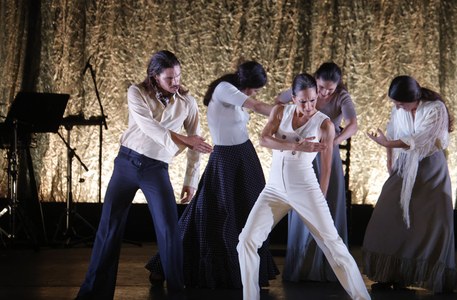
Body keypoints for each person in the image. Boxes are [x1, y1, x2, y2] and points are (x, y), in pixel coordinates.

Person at [76, 50, 213, 299]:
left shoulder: (187, 102)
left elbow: (197, 145)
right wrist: (184, 140)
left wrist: (190, 181)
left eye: (178, 76)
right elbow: (150, 127)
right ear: (154, 76)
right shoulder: (136, 92)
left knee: (169, 230)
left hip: (155, 169)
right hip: (126, 164)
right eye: (169, 78)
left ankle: (177, 291)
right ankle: (92, 293)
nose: (176, 82)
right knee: (109, 228)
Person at [145, 61, 279, 288]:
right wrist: (286, 112)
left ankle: (247, 271)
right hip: (225, 158)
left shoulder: (235, 91)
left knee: (250, 212)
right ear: (245, 83)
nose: (255, 92)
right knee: (207, 215)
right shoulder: (225, 89)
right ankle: (165, 265)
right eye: (254, 87)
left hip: (245, 156)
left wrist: (292, 103)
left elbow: (256, 103)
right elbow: (256, 106)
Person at [237, 73, 371, 300]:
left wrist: (321, 197)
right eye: (303, 101)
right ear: (293, 98)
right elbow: (264, 139)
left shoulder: (325, 125)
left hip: (306, 190)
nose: (309, 106)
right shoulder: (280, 111)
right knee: (246, 241)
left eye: (313, 100)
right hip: (274, 190)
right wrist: (296, 145)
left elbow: (327, 168)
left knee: (333, 246)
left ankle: (361, 297)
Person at [361, 75, 457, 294]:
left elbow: (419, 139)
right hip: (404, 165)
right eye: (395, 103)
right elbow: (392, 134)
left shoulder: (435, 108)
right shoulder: (399, 110)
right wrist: (389, 161)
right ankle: (390, 273)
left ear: (414, 98)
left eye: (401, 103)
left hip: (430, 167)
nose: (397, 107)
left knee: (432, 222)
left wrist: (387, 142)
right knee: (389, 214)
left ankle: (433, 275)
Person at [276, 62, 358, 282]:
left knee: (327, 205)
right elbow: (279, 102)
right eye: (321, 87)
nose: (323, 93)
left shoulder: (342, 97)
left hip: (325, 154)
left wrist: (334, 141)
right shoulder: (306, 91)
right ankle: (302, 264)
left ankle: (331, 268)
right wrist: (292, 131)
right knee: (302, 204)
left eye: (329, 90)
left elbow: (353, 124)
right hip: (303, 153)